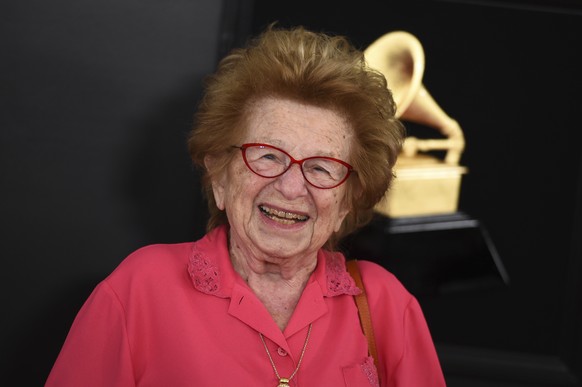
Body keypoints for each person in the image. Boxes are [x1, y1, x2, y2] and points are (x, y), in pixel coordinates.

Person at [46, 25, 446, 386]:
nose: (291, 188)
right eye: (267, 155)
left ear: (347, 201)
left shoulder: (385, 304)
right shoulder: (139, 290)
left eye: (322, 167)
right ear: (220, 175)